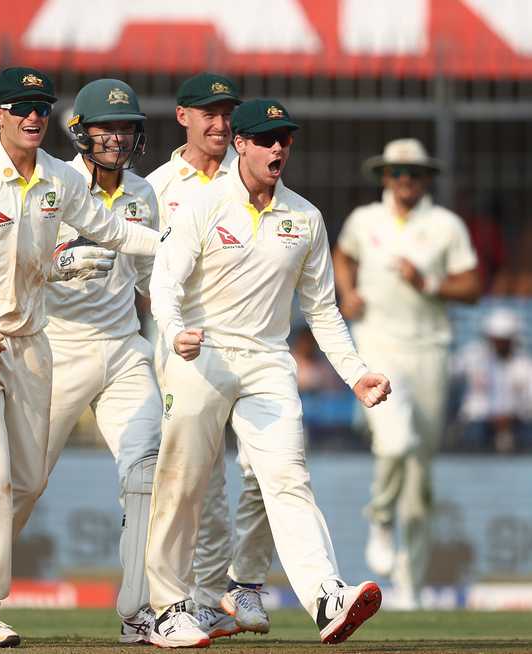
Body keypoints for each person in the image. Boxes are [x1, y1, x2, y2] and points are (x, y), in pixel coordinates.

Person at [0, 67, 161, 648]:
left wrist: (176, 247)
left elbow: (115, 232)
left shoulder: (56, 180)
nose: (31, 117)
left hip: (31, 345)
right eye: (20, 107)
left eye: (40, 107)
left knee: (24, 482)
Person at [147, 98, 392, 648]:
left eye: (285, 139)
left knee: (287, 478)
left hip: (267, 361)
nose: (277, 148)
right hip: (201, 352)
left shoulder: (304, 217)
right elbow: (165, 280)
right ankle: (166, 607)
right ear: (240, 144)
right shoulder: (205, 205)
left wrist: (355, 374)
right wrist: (174, 330)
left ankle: (327, 596)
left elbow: (323, 308)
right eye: (265, 139)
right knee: (183, 482)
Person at [145, 72, 274, 637]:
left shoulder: (249, 173)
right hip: (180, 348)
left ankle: (238, 585)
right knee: (198, 478)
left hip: (250, 346)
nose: (220, 124)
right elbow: (141, 274)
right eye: (208, 113)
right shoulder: (154, 187)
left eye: (227, 113)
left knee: (265, 466)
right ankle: (193, 599)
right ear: (183, 117)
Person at [334, 138, 481, 609]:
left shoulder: (444, 226)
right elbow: (343, 254)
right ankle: (379, 516)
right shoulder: (364, 220)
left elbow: (473, 285)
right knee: (395, 442)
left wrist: (429, 282)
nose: (405, 181)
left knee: (421, 476)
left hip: (430, 350)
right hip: (378, 345)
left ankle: (412, 586)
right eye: (398, 173)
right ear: (385, 177)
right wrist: (348, 291)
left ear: (425, 179)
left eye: (414, 173)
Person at [42, 78, 159, 643]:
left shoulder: (142, 194)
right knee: (18, 484)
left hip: (122, 347)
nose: (116, 137)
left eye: (125, 127)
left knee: (146, 473)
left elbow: (150, 282)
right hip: (56, 347)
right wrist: (60, 262)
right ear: (81, 131)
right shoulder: (52, 185)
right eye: (105, 127)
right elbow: (14, 266)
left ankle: (138, 612)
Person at [454, 308, 532, 453]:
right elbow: (451, 376)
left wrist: (511, 416)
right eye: (496, 339)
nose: (499, 344)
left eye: (504, 340)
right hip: (478, 420)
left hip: (515, 422)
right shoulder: (472, 356)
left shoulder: (525, 364)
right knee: (473, 435)